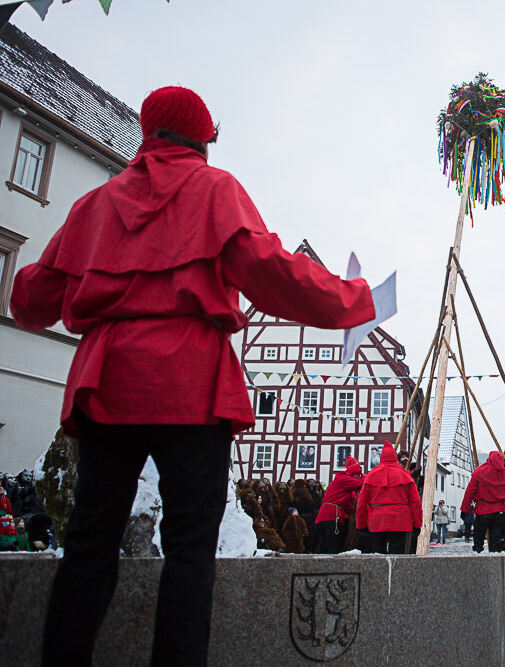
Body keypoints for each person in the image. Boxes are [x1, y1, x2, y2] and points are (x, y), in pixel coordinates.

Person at [11, 86, 380, 666]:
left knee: (88, 543)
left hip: (108, 381)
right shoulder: (216, 192)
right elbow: (274, 273)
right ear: (204, 136)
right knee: (190, 550)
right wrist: (357, 300)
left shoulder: (95, 205)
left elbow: (32, 299)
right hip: (190, 384)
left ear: (146, 132)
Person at [356, 442, 422, 554]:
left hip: (377, 521)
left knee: (378, 555)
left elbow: (361, 503)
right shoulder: (405, 475)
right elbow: (416, 503)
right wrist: (417, 524)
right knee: (397, 555)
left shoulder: (371, 475)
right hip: (400, 521)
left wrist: (361, 524)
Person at [461, 451, 505, 553]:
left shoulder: (480, 471)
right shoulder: (504, 473)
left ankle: (478, 557)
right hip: (498, 511)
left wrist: (465, 509)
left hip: (483, 510)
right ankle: (495, 560)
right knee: (495, 541)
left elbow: (469, 492)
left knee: (478, 539)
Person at [315, 458, 364, 554]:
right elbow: (361, 483)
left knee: (323, 546)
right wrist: (373, 476)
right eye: (358, 476)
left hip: (325, 517)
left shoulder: (342, 482)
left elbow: (349, 505)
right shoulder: (344, 479)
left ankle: (315, 567)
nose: (359, 477)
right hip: (333, 517)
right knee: (333, 547)